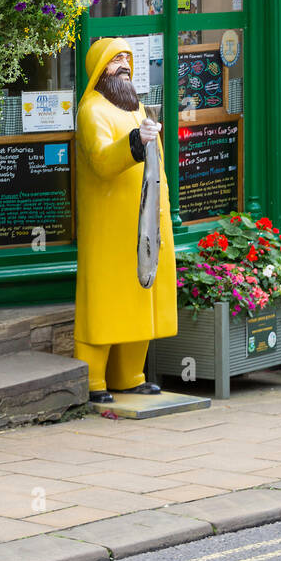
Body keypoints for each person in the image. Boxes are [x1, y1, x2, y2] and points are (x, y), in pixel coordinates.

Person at [74, 37, 177, 403]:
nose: (124, 66)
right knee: (104, 300)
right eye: (116, 60)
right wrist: (135, 141)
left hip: (143, 221)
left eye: (127, 59)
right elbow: (102, 160)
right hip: (109, 225)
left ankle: (130, 374)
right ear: (100, 69)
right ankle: (92, 381)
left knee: (139, 295)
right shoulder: (91, 111)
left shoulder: (136, 108)